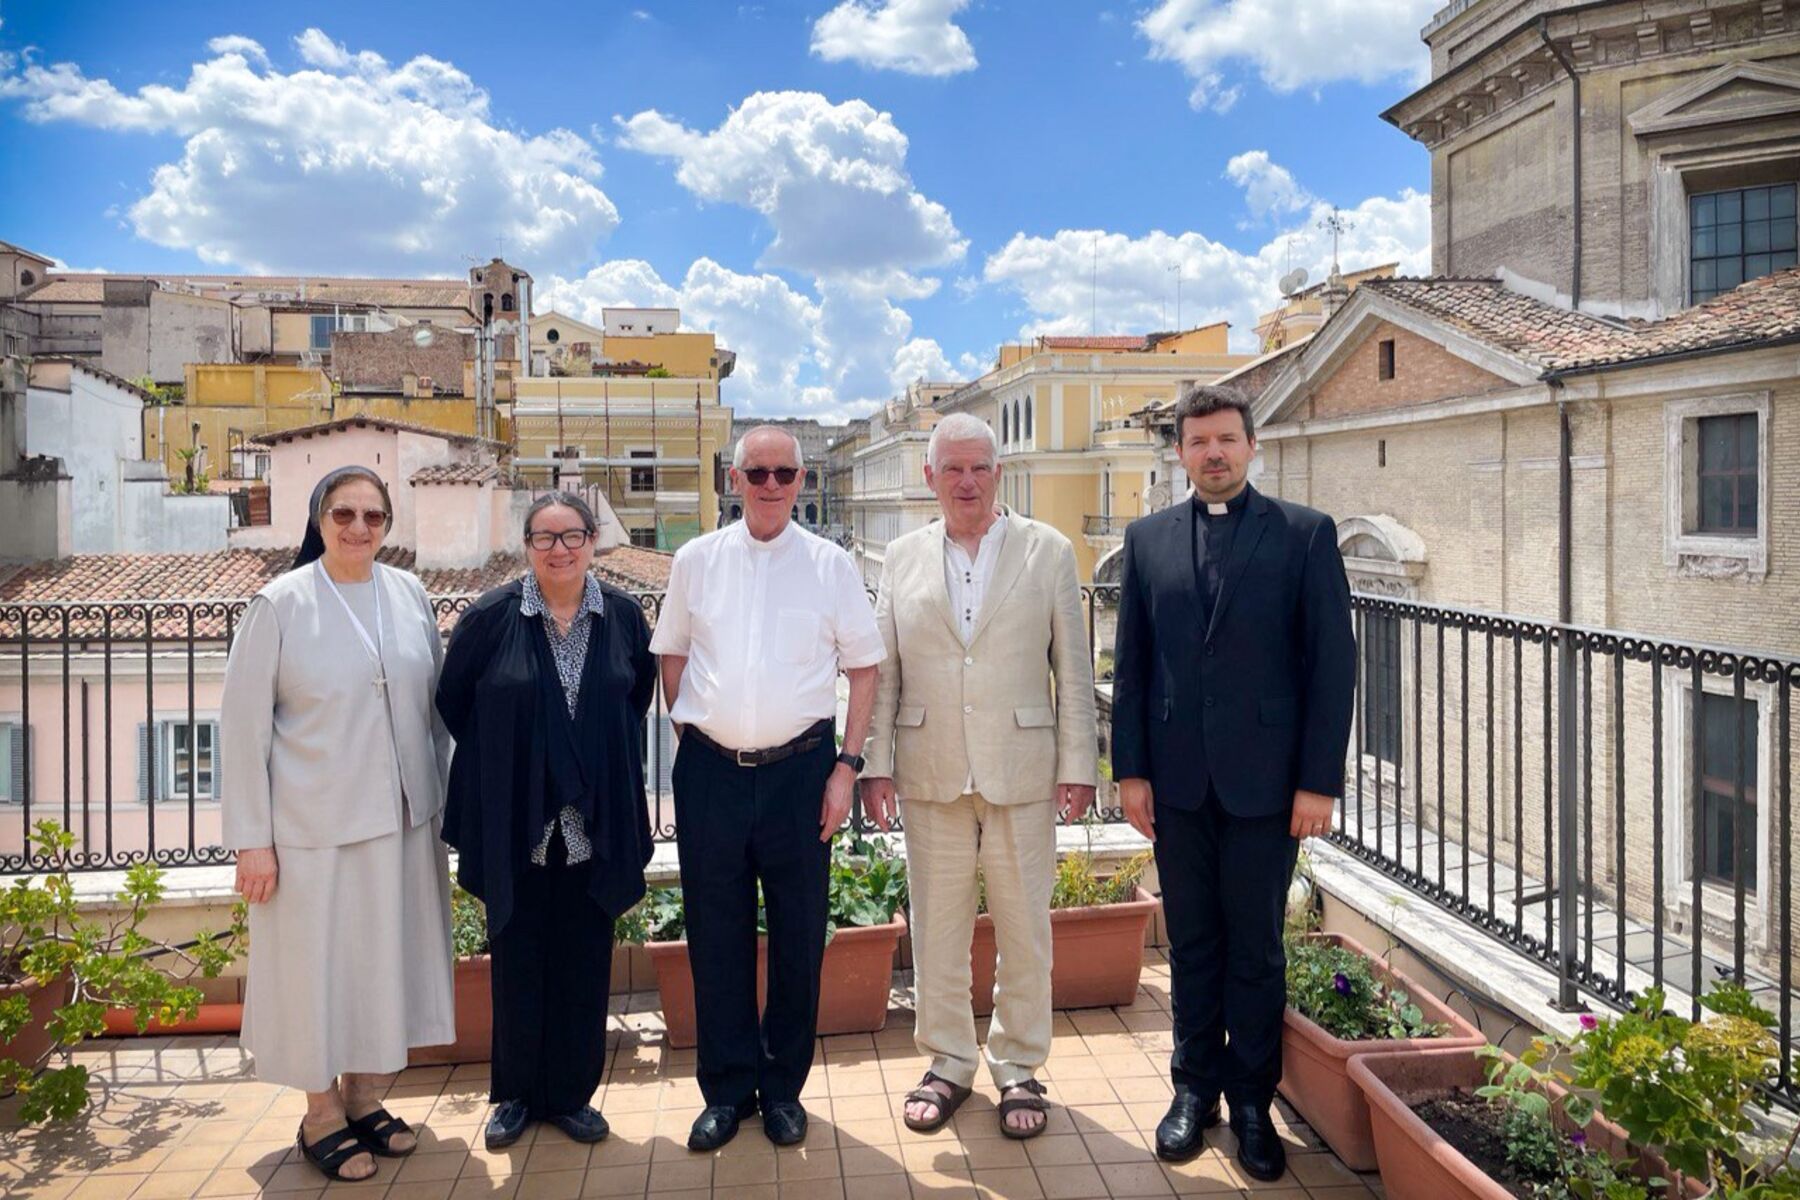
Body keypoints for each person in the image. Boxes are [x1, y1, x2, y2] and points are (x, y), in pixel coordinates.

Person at [1111, 384, 1356, 1178]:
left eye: (1226, 440)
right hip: (1177, 784)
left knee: (1255, 948)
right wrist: (1132, 771)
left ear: (1252, 447)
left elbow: (1333, 668)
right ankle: (1194, 1089)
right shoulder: (1147, 540)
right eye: (1197, 442)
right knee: (1192, 944)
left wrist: (1318, 782)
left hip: (1268, 788)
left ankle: (1252, 1100)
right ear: (1180, 454)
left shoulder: (1304, 536)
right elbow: (1135, 668)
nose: (1213, 454)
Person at [860, 412, 1097, 1140]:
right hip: (930, 769)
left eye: (980, 468)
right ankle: (950, 1062)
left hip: (1022, 770)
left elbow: (1075, 668)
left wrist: (1079, 764)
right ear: (928, 476)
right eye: (952, 468)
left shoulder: (1048, 551)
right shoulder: (898, 557)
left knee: (1026, 928)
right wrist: (875, 765)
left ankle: (1020, 1064)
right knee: (938, 928)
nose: (967, 481)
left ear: (999, 473)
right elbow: (886, 671)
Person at [651, 426, 885, 1152]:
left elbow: (865, 670)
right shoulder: (695, 560)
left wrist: (846, 767)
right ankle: (726, 1090)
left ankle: (782, 1089)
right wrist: (699, 744)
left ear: (802, 480)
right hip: (712, 775)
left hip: (801, 775)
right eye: (759, 472)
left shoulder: (830, 564)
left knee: (796, 936)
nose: (773, 484)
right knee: (714, 935)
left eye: (787, 472)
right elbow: (673, 655)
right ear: (733, 477)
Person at [221, 465, 455, 1183]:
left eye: (373, 517)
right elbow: (241, 729)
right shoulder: (279, 603)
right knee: (314, 975)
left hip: (401, 823)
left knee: (379, 969)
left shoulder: (408, 594)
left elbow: (435, 708)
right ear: (319, 519)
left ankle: (361, 1096)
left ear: (388, 526)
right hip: (309, 831)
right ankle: (319, 1110)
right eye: (344, 514)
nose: (359, 529)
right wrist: (252, 841)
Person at [436, 492, 657, 1151]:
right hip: (517, 824)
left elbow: (634, 696)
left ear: (593, 541)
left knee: (584, 960)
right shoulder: (490, 617)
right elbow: (455, 704)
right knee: (518, 957)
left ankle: (570, 1097)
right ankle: (514, 1097)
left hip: (595, 820)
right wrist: (522, 757)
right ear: (526, 546)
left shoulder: (621, 616)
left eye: (572, 536)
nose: (559, 549)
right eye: (544, 537)